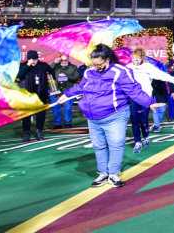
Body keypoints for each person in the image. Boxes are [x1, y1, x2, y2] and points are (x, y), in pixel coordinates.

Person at [60, 44, 152, 188]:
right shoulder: (89, 72)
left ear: (107, 59)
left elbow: (134, 91)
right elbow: (81, 87)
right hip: (93, 117)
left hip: (115, 115)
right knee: (99, 146)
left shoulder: (120, 71)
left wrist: (149, 102)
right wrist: (66, 95)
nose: (96, 67)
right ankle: (103, 173)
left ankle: (113, 174)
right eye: (94, 63)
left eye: (99, 63)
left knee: (116, 145)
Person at [128, 49, 174, 153]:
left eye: (137, 59)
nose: (135, 61)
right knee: (134, 119)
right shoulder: (128, 67)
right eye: (133, 59)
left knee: (143, 120)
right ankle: (137, 141)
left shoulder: (148, 67)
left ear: (142, 58)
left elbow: (161, 75)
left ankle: (145, 137)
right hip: (133, 97)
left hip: (145, 97)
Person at [17, 50, 55, 142]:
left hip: (41, 94)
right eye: (31, 59)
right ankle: (26, 133)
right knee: (26, 115)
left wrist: (51, 83)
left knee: (41, 115)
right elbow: (19, 76)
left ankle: (39, 131)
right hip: (27, 95)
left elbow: (52, 73)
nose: (33, 61)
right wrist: (27, 65)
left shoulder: (43, 65)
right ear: (28, 59)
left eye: (35, 59)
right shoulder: (23, 66)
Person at [49, 54, 81, 129]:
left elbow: (76, 77)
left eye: (65, 60)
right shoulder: (55, 66)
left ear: (68, 59)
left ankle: (68, 123)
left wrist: (67, 77)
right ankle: (57, 123)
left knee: (67, 107)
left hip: (68, 90)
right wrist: (54, 62)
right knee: (56, 107)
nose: (63, 61)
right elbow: (47, 70)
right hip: (55, 90)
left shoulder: (73, 67)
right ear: (59, 59)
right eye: (62, 60)